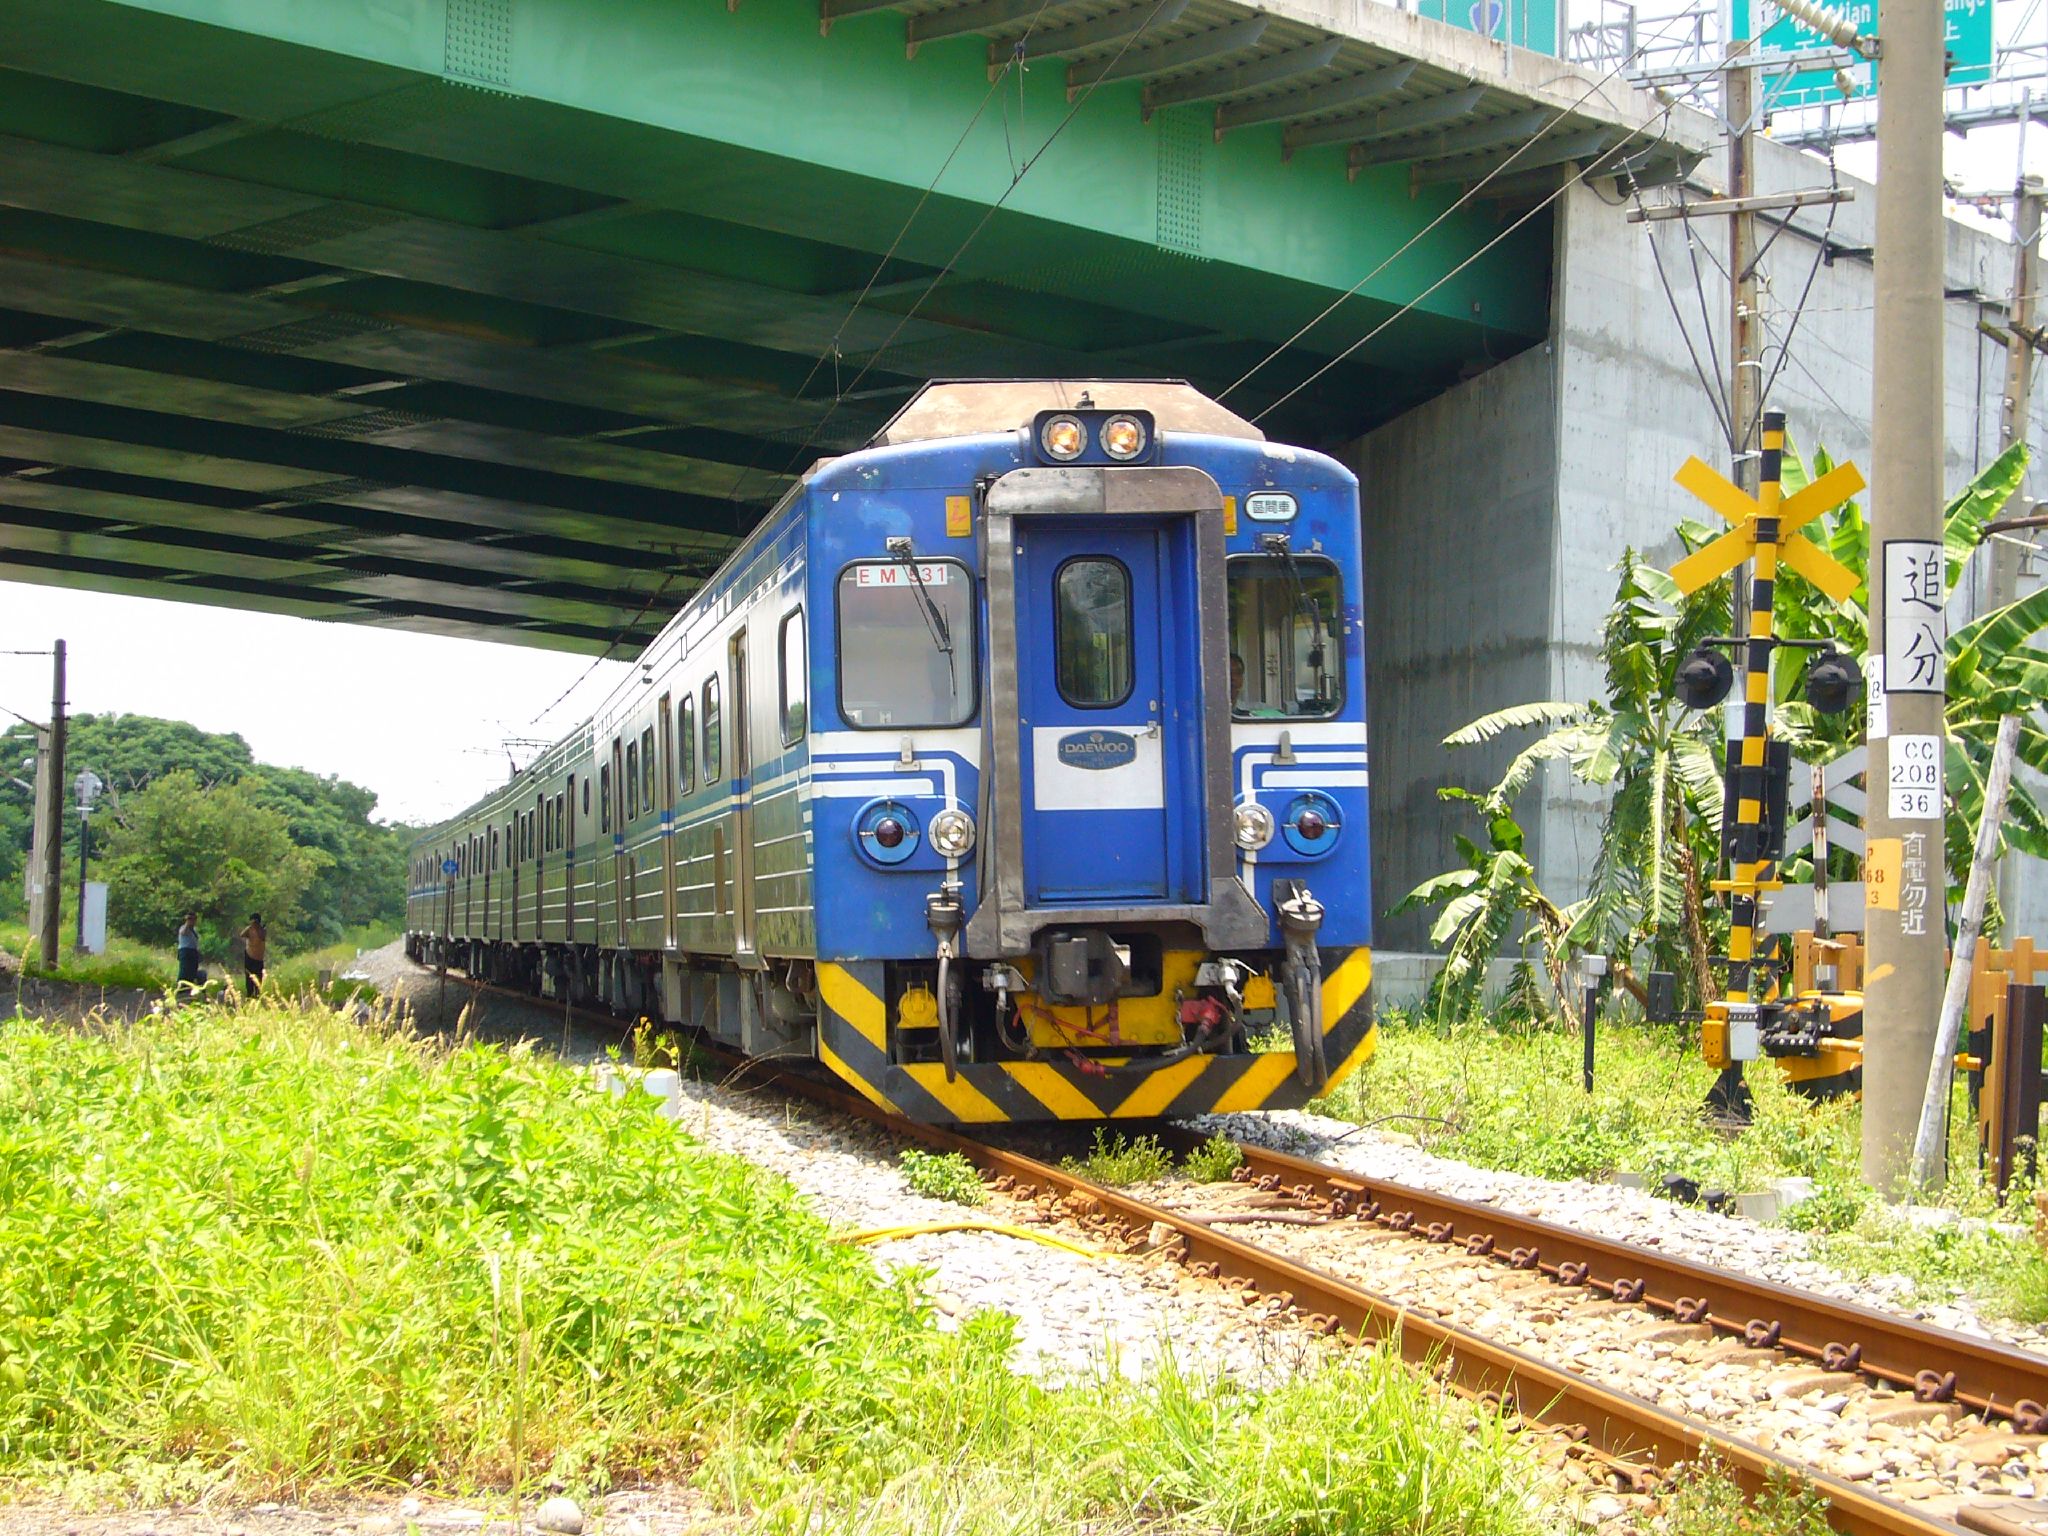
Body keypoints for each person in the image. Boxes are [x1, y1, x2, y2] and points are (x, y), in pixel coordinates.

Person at [239, 913, 267, 996]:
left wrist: (258, 928)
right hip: (249, 956)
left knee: (258, 979)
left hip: (258, 958)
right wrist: (250, 928)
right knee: (249, 978)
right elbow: (242, 934)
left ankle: (258, 994)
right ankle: (249, 994)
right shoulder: (249, 929)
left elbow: (262, 937)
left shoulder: (262, 931)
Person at [176, 912, 201, 992]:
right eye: (191, 919)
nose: (193, 921)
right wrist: (188, 922)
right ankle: (180, 987)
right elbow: (183, 932)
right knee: (184, 969)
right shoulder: (183, 928)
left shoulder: (195, 930)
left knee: (192, 970)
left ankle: (189, 986)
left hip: (193, 951)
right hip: (185, 951)